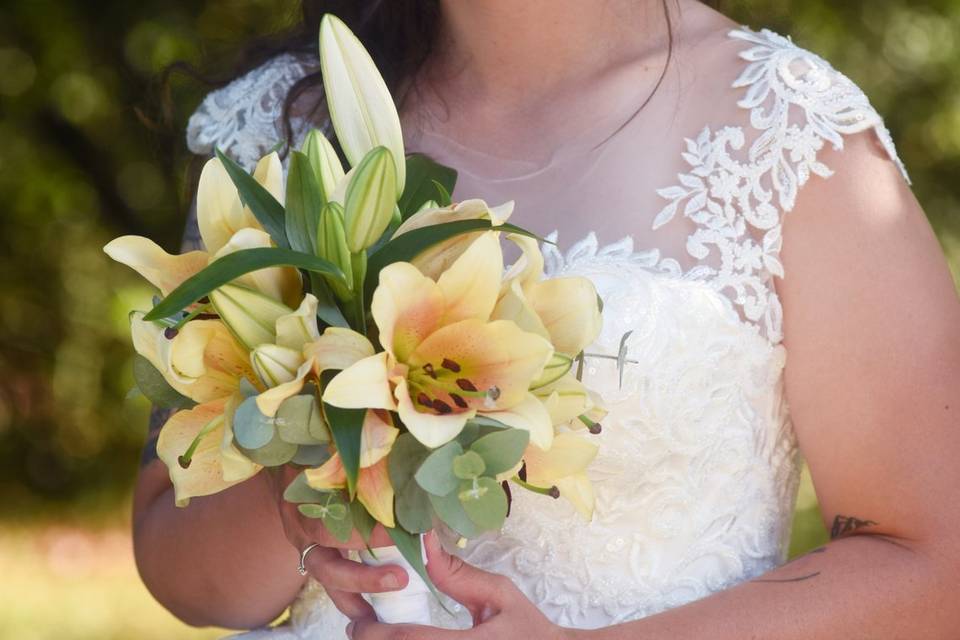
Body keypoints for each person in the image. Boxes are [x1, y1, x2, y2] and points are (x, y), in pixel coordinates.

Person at [133, 1, 960, 638]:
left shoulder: (785, 134)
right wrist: (302, 482)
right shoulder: (280, 128)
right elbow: (177, 565)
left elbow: (936, 570)